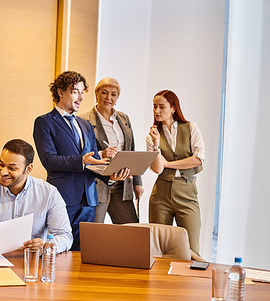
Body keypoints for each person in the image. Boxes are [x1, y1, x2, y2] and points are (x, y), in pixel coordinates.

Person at [33, 71, 130, 251]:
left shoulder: (85, 125)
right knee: (58, 251)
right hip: (63, 198)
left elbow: (92, 163)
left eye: (82, 92)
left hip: (89, 200)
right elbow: (49, 160)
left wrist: (110, 177)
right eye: (75, 91)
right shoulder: (44, 122)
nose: (81, 97)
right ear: (60, 92)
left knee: (83, 253)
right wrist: (81, 161)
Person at [0, 139, 73, 253]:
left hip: (34, 262)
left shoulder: (49, 193)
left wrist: (45, 246)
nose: (3, 172)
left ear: (28, 169)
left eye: (12, 168)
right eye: (1, 164)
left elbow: (65, 236)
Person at [146, 90, 205, 256]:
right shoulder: (152, 136)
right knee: (157, 249)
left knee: (191, 249)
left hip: (187, 192)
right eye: (154, 107)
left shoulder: (191, 128)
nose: (157, 111)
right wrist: (157, 144)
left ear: (173, 108)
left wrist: (170, 164)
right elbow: (158, 169)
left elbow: (198, 159)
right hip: (161, 195)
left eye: (161, 107)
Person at [79, 77, 144, 224]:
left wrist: (137, 183)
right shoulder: (83, 120)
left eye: (113, 94)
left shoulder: (124, 118)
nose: (109, 97)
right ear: (96, 95)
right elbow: (80, 153)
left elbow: (131, 150)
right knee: (94, 232)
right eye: (104, 92)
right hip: (97, 184)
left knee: (131, 231)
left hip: (123, 183)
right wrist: (101, 154)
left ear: (117, 97)